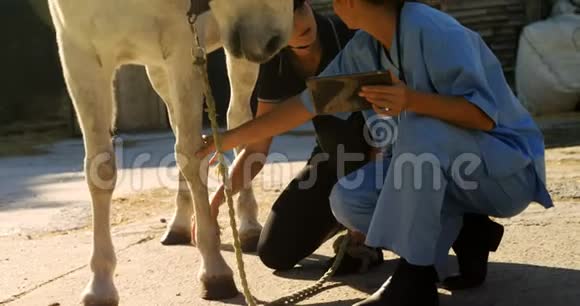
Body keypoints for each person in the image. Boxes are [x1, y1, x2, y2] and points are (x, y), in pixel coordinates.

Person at [198, 0, 555, 305]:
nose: (332, 6)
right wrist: (224, 140)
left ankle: (416, 277)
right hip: (447, 173)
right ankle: (469, 233)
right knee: (349, 200)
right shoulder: (365, 48)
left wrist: (411, 100)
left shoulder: (436, 31)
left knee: (419, 128)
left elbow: (483, 117)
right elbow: (306, 105)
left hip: (504, 171)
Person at [207, 0, 384, 274]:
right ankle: (337, 218)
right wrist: (216, 202)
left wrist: (359, 220)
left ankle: (365, 228)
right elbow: (258, 146)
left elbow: (383, 128)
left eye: (299, 10)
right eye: (285, 20)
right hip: (330, 159)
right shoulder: (276, 61)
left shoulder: (347, 36)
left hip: (379, 160)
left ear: (309, 5)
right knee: (274, 252)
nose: (299, 25)